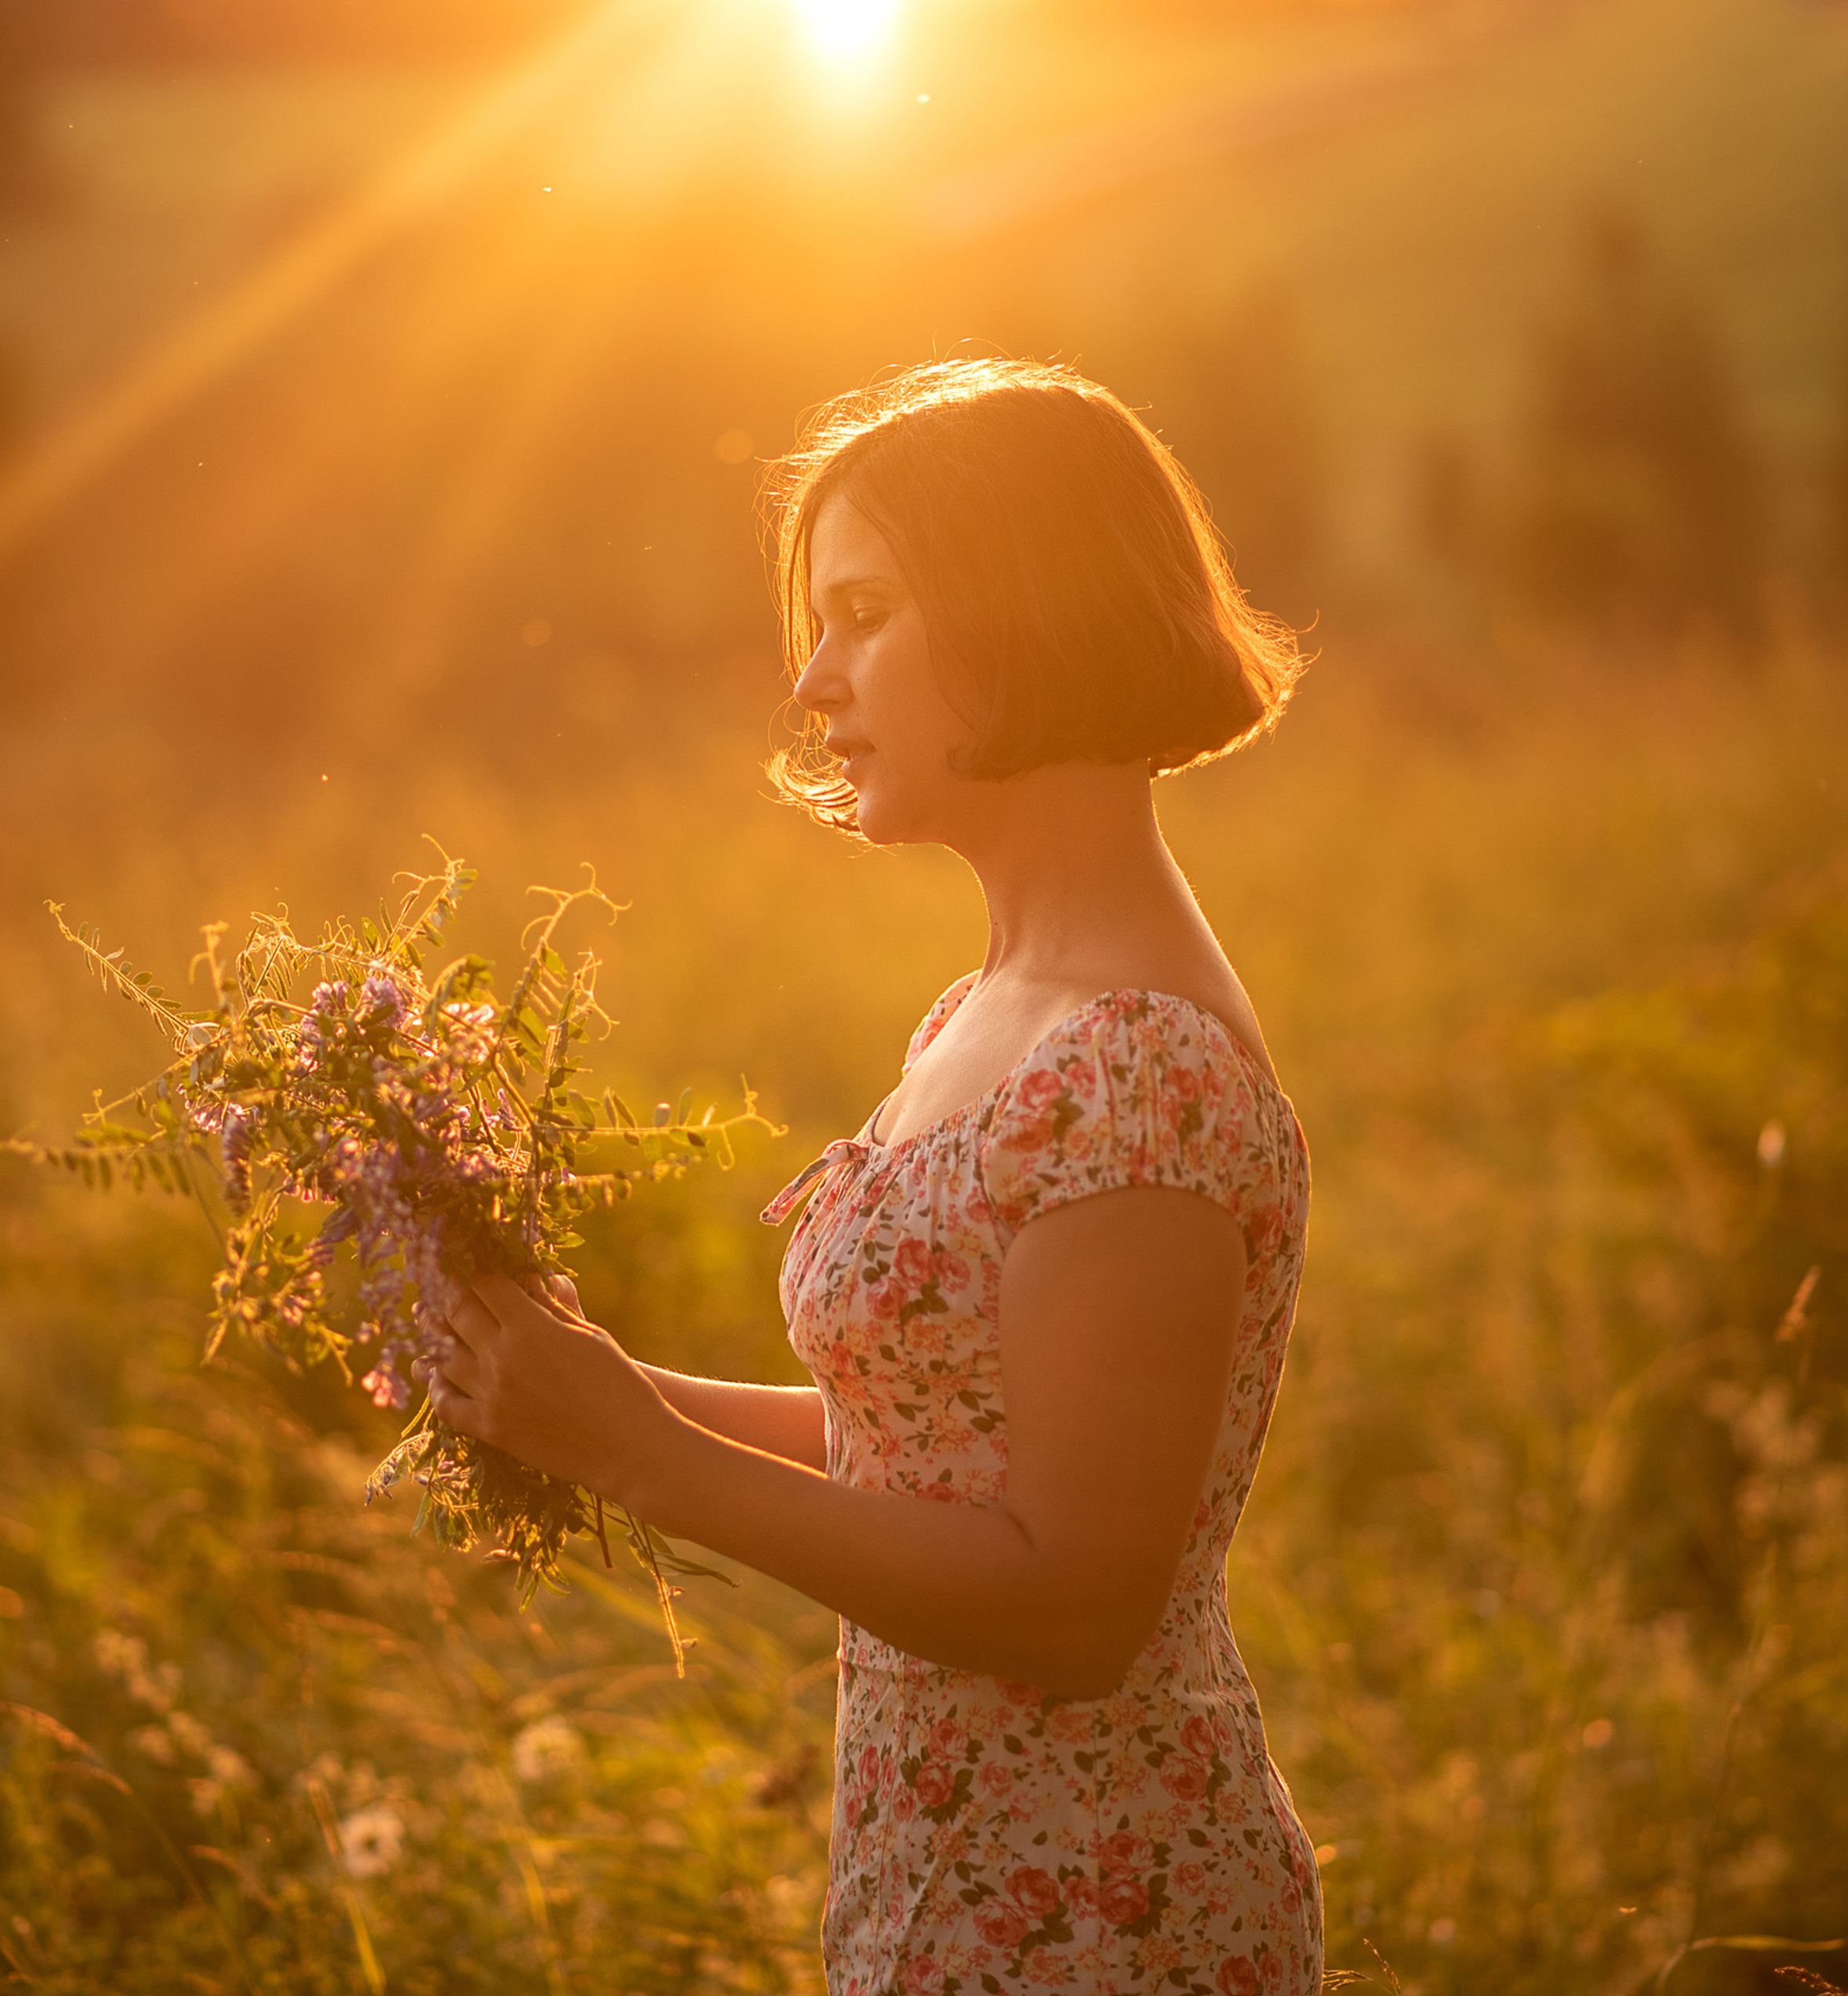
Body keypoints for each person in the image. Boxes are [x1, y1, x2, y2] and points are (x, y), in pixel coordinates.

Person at [417, 356, 1322, 1995]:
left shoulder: (1140, 1066)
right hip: (944, 1880)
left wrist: (638, 1457)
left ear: (1021, 612)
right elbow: (926, 1438)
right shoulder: (989, 1005)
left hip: (1104, 1916)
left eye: (861, 610)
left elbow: (1071, 1602)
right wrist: (563, 1382)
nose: (812, 677)